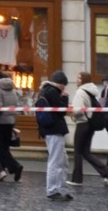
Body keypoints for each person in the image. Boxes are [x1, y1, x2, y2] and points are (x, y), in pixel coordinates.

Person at [69, 70, 108, 186]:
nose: (76, 80)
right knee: (86, 153)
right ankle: (107, 172)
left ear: (83, 80)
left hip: (82, 123)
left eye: (78, 78)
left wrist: (71, 113)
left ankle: (77, 179)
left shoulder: (80, 92)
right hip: (90, 124)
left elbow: (78, 110)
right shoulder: (91, 91)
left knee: (78, 152)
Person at [36, 70, 71, 201]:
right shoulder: (52, 92)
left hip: (50, 129)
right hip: (53, 130)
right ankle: (52, 190)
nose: (64, 88)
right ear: (61, 84)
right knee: (56, 161)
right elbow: (62, 111)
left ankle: (61, 188)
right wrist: (65, 97)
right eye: (64, 85)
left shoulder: (46, 90)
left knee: (61, 160)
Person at [0, 69, 24, 182]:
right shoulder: (12, 90)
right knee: (4, 147)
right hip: (10, 121)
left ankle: (15, 166)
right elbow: (16, 105)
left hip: (0, 122)